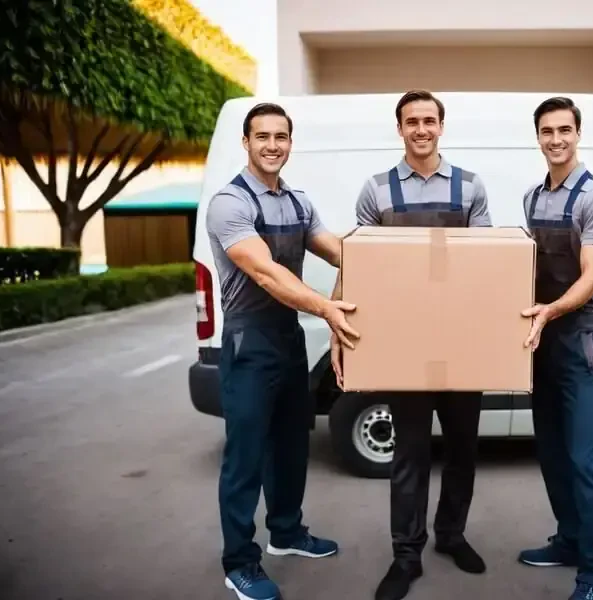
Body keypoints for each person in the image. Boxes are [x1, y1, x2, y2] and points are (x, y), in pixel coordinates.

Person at [331, 89, 492, 600]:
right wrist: (337, 324)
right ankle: (406, 555)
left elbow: (488, 264)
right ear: (399, 128)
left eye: (429, 120)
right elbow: (356, 263)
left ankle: (452, 535)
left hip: (460, 343)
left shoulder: (470, 186)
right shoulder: (377, 190)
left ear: (441, 126)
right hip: (404, 347)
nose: (421, 129)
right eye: (411, 121)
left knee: (463, 449)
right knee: (410, 454)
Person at [206, 102, 360, 600]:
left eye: (281, 136)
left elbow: (338, 250)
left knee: (292, 444)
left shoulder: (297, 202)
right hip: (249, 340)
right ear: (246, 142)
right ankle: (239, 562)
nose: (272, 145)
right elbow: (265, 272)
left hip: (288, 337)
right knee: (246, 456)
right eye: (262, 136)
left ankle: (287, 533)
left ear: (290, 143)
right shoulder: (230, 203)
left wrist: (389, 255)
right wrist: (327, 309)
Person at [517, 96, 593, 600]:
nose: (556, 139)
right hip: (544, 334)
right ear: (537, 137)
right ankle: (571, 540)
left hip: (580, 334)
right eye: (547, 131)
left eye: (564, 130)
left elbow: (590, 278)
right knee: (553, 451)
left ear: (578, 133)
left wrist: (550, 311)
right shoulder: (533, 198)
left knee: (584, 459)